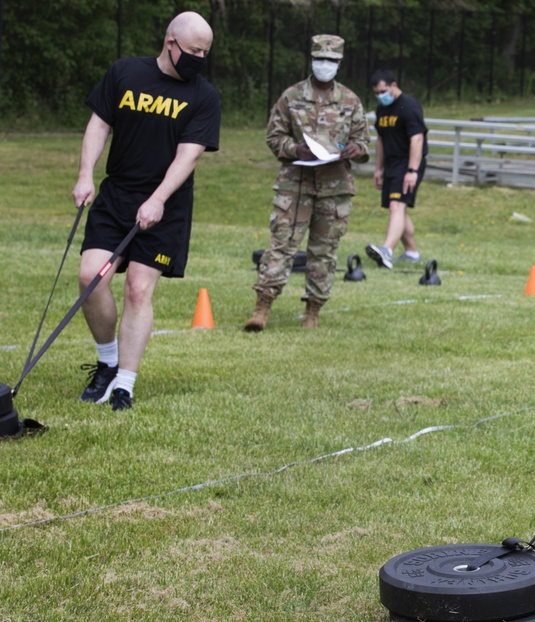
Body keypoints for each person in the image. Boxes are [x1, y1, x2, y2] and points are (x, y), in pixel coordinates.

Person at [72, 11, 221, 411]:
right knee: (91, 277)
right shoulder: (124, 73)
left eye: (205, 53)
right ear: (170, 42)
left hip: (164, 205)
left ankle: (124, 384)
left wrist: (157, 198)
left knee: (138, 287)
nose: (199, 59)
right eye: (193, 50)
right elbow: (99, 125)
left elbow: (187, 157)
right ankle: (107, 364)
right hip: (116, 196)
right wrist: (85, 175)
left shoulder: (204, 96)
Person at [244, 35, 370, 331]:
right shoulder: (291, 96)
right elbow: (274, 137)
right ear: (312, 60)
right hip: (295, 184)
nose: (325, 65)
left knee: (324, 250)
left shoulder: (350, 100)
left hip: (335, 187)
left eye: (331, 60)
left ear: (339, 63)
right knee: (281, 244)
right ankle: (262, 308)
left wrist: (356, 149)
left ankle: (312, 312)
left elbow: (363, 140)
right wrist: (294, 149)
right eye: (320, 59)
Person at [365, 69, 428, 270]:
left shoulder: (408, 106)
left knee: (397, 206)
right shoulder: (381, 110)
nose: (379, 96)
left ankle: (387, 250)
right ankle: (411, 253)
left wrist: (412, 170)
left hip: (407, 163)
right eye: (376, 93)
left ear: (393, 85)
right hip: (391, 164)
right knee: (399, 209)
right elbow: (381, 140)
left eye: (382, 91)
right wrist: (378, 168)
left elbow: (417, 138)